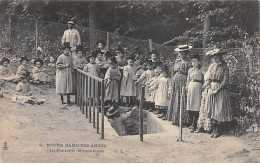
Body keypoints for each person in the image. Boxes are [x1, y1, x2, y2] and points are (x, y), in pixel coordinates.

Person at [204, 49, 232, 138]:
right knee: (211, 109)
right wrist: (209, 87)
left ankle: (218, 130)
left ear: (220, 57)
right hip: (211, 89)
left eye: (217, 57)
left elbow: (225, 81)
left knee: (218, 110)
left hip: (220, 91)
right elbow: (208, 78)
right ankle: (213, 129)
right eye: (214, 58)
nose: (215, 59)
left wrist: (217, 90)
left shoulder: (224, 67)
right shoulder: (212, 66)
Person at [167, 45, 192, 125]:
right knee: (175, 98)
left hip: (183, 81)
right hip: (176, 81)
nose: (182, 55)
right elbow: (173, 72)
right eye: (180, 53)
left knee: (182, 98)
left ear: (186, 53)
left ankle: (184, 120)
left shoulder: (189, 62)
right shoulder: (177, 62)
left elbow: (190, 74)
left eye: (184, 53)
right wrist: (171, 83)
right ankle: (175, 118)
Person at [186, 54, 204, 132]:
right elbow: (188, 79)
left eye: (195, 61)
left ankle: (194, 124)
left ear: (198, 61)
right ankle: (191, 123)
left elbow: (207, 76)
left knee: (196, 106)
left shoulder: (201, 69)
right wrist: (186, 87)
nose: (193, 63)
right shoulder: (190, 70)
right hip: (190, 87)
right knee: (190, 105)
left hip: (198, 87)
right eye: (192, 61)